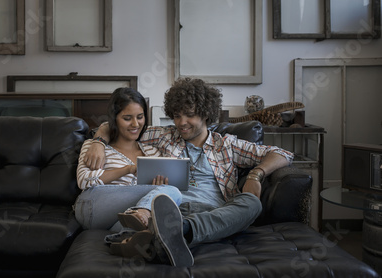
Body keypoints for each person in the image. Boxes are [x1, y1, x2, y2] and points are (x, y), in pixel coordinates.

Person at [85, 78, 294, 267]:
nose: (181, 123)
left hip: (213, 215)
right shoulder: (165, 136)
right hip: (169, 209)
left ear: (205, 113)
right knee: (140, 215)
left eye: (190, 115)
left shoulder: (227, 144)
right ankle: (166, 236)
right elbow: (117, 124)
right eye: (177, 116)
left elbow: (282, 153)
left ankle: (168, 233)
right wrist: (97, 142)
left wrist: (255, 174)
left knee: (252, 203)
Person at [73, 87, 182, 233]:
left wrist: (157, 186)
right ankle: (144, 211)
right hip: (92, 205)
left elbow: (152, 191)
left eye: (140, 117)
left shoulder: (152, 152)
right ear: (114, 119)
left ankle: (126, 237)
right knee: (171, 192)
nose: (135, 124)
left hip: (120, 215)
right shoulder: (95, 146)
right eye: (127, 118)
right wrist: (128, 169)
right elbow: (84, 181)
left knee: (148, 227)